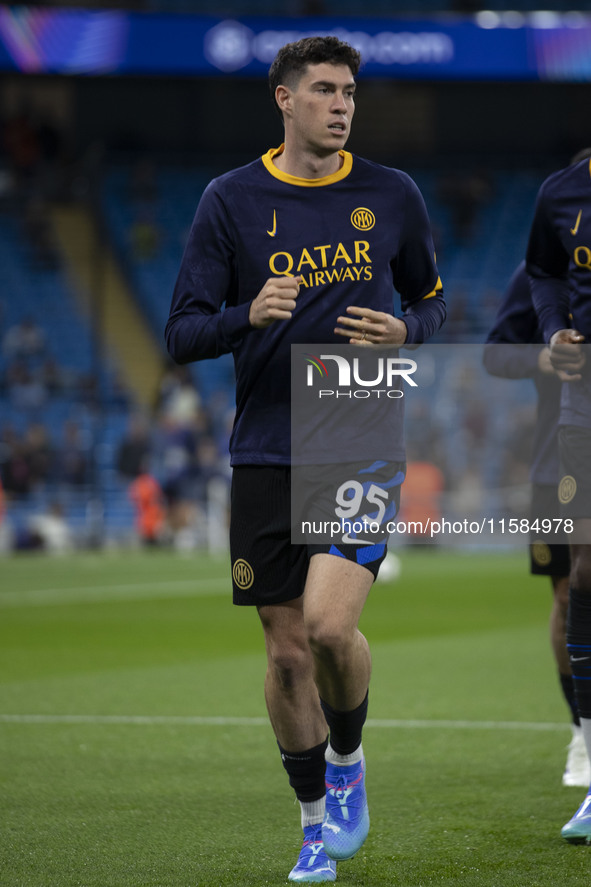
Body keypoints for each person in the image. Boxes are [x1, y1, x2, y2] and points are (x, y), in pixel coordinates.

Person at [166, 35, 445, 882]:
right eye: (323, 89)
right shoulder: (231, 199)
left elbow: (430, 302)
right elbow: (182, 331)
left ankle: (347, 759)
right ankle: (313, 824)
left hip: (356, 425)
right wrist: (245, 314)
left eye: (349, 91)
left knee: (328, 625)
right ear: (283, 100)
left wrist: (406, 331)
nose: (341, 104)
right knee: (286, 653)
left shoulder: (391, 194)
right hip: (264, 446)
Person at [484, 260, 591, 788]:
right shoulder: (540, 271)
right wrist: (544, 357)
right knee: (570, 595)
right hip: (559, 462)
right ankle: (582, 732)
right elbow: (495, 353)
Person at [526, 149, 591, 843]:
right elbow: (542, 273)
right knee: (579, 580)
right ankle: (587, 749)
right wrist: (551, 338)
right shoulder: (560, 195)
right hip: (578, 413)